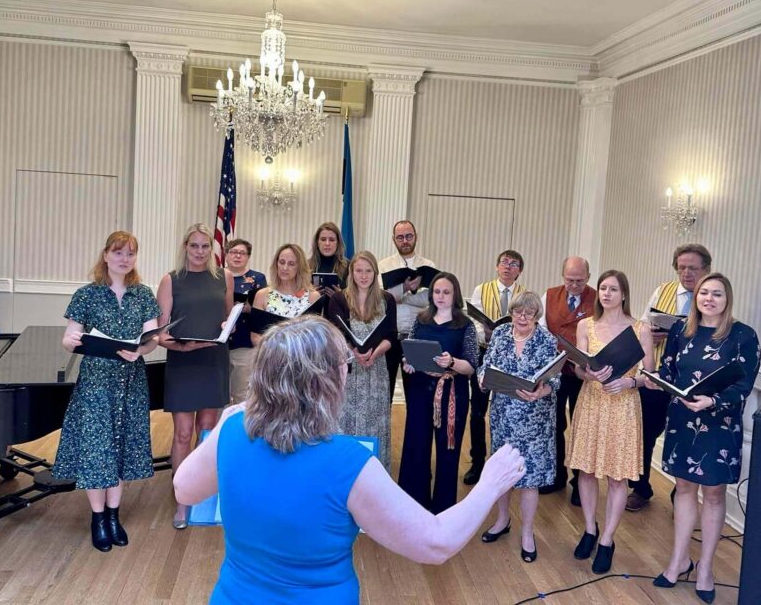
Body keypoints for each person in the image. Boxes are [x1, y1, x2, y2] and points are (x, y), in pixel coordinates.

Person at [173, 317, 527, 605]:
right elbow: (435, 543)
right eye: (343, 364)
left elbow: (184, 490)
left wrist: (227, 422)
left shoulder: (231, 430)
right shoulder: (347, 462)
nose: (347, 371)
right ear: (325, 380)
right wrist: (490, 483)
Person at [647, 273, 760, 604]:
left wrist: (713, 401)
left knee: (713, 494)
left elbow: (743, 385)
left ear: (728, 299)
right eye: (704, 293)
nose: (709, 299)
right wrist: (657, 379)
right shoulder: (681, 330)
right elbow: (669, 370)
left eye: (717, 294)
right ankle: (679, 561)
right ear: (696, 297)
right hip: (682, 420)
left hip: (719, 425)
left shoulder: (743, 335)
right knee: (683, 489)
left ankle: (706, 569)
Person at [56, 231, 161, 552]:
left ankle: (114, 516)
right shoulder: (87, 294)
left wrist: (141, 349)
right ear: (105, 256)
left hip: (131, 380)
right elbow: (69, 338)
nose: (124, 259)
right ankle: (98, 518)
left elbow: (153, 338)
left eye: (130, 254)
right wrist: (72, 340)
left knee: (122, 446)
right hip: (96, 383)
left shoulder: (143, 294)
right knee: (97, 449)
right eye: (118, 253)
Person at [567, 270, 654, 574]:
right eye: (603, 288)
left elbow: (650, 376)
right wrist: (587, 373)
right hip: (592, 401)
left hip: (623, 405)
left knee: (618, 477)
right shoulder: (586, 325)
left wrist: (630, 383)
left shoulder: (641, 329)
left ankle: (607, 540)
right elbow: (578, 369)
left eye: (613, 289)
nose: (606, 293)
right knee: (586, 470)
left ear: (624, 294)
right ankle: (590, 529)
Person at [156, 223, 235, 529]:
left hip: (213, 359)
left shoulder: (224, 277)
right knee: (183, 433)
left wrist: (227, 327)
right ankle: (183, 498)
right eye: (194, 246)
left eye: (205, 246)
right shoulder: (171, 279)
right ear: (185, 247)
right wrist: (182, 346)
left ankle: (202, 490)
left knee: (207, 429)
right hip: (183, 361)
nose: (200, 252)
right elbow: (161, 332)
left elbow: (226, 318)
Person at [628, 243, 713, 513]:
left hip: (691, 382)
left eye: (693, 268)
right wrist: (649, 335)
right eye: (682, 267)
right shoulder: (662, 291)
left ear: (706, 269)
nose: (686, 273)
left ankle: (682, 496)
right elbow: (642, 325)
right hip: (656, 377)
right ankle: (640, 488)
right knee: (644, 434)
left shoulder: (711, 297)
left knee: (687, 437)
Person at [477, 291, 559, 563]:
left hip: (535, 419)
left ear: (537, 315)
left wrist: (543, 390)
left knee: (529, 478)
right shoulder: (501, 334)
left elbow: (555, 380)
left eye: (529, 313)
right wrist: (482, 379)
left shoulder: (546, 339)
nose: (522, 317)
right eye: (517, 312)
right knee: (504, 472)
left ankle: (527, 533)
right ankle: (502, 520)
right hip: (503, 415)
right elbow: (485, 366)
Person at [398, 272, 479, 513]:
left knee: (448, 451)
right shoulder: (421, 320)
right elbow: (410, 351)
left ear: (455, 295)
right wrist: (409, 363)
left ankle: (443, 509)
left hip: (452, 391)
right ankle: (413, 506)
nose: (440, 296)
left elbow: (471, 366)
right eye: (436, 291)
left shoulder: (465, 325)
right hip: (420, 390)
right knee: (416, 447)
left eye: (446, 292)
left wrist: (451, 362)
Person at [326, 251, 397, 469]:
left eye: (368, 271)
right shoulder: (339, 299)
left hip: (376, 369)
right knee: (346, 420)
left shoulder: (386, 299)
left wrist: (375, 353)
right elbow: (335, 334)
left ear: (375, 273)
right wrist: (354, 352)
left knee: (375, 421)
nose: (363, 276)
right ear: (351, 272)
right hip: (348, 368)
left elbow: (391, 335)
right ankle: (345, 471)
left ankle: (374, 471)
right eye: (359, 271)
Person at [464, 249, 527, 486]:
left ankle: (507, 463)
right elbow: (473, 321)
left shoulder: (525, 294)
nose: (508, 267)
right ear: (496, 266)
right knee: (478, 410)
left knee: (509, 411)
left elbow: (530, 324)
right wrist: (486, 334)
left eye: (513, 264)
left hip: (512, 359)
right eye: (504, 262)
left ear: (519, 271)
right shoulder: (481, 289)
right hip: (484, 354)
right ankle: (477, 462)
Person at [542, 256, 597, 506]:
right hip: (555, 371)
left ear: (588, 277)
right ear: (562, 275)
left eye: (580, 281)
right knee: (554, 424)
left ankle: (579, 482)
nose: (574, 285)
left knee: (581, 427)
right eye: (569, 280)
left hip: (583, 373)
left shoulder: (597, 299)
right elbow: (542, 331)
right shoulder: (549, 295)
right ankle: (556, 476)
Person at [378, 220, 436, 402]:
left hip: (417, 336)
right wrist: (405, 288)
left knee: (416, 395)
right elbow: (381, 299)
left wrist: (399, 295)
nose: (405, 241)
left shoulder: (428, 265)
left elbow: (429, 299)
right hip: (389, 336)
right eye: (400, 237)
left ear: (415, 236)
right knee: (384, 394)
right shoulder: (383, 265)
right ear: (393, 239)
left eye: (409, 236)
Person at [223, 238, 267, 403]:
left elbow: (264, 310)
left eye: (242, 253)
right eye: (234, 252)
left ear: (248, 256)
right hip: (218, 342)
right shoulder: (217, 276)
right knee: (219, 395)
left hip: (244, 341)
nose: (237, 256)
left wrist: (249, 308)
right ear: (226, 255)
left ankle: (241, 421)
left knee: (242, 394)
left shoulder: (257, 279)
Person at [250, 244, 321, 346]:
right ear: (276, 264)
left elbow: (315, 335)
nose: (285, 268)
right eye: (281, 262)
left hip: (302, 352)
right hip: (270, 352)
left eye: (291, 264)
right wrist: (278, 350)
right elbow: (255, 336)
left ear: (300, 267)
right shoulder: (262, 295)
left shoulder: (313, 297)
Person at [308, 221, 349, 291]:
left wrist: (341, 295)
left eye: (332, 240)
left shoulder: (348, 267)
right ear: (317, 242)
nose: (327, 243)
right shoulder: (306, 266)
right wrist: (309, 293)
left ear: (338, 243)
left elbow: (354, 295)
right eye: (323, 239)